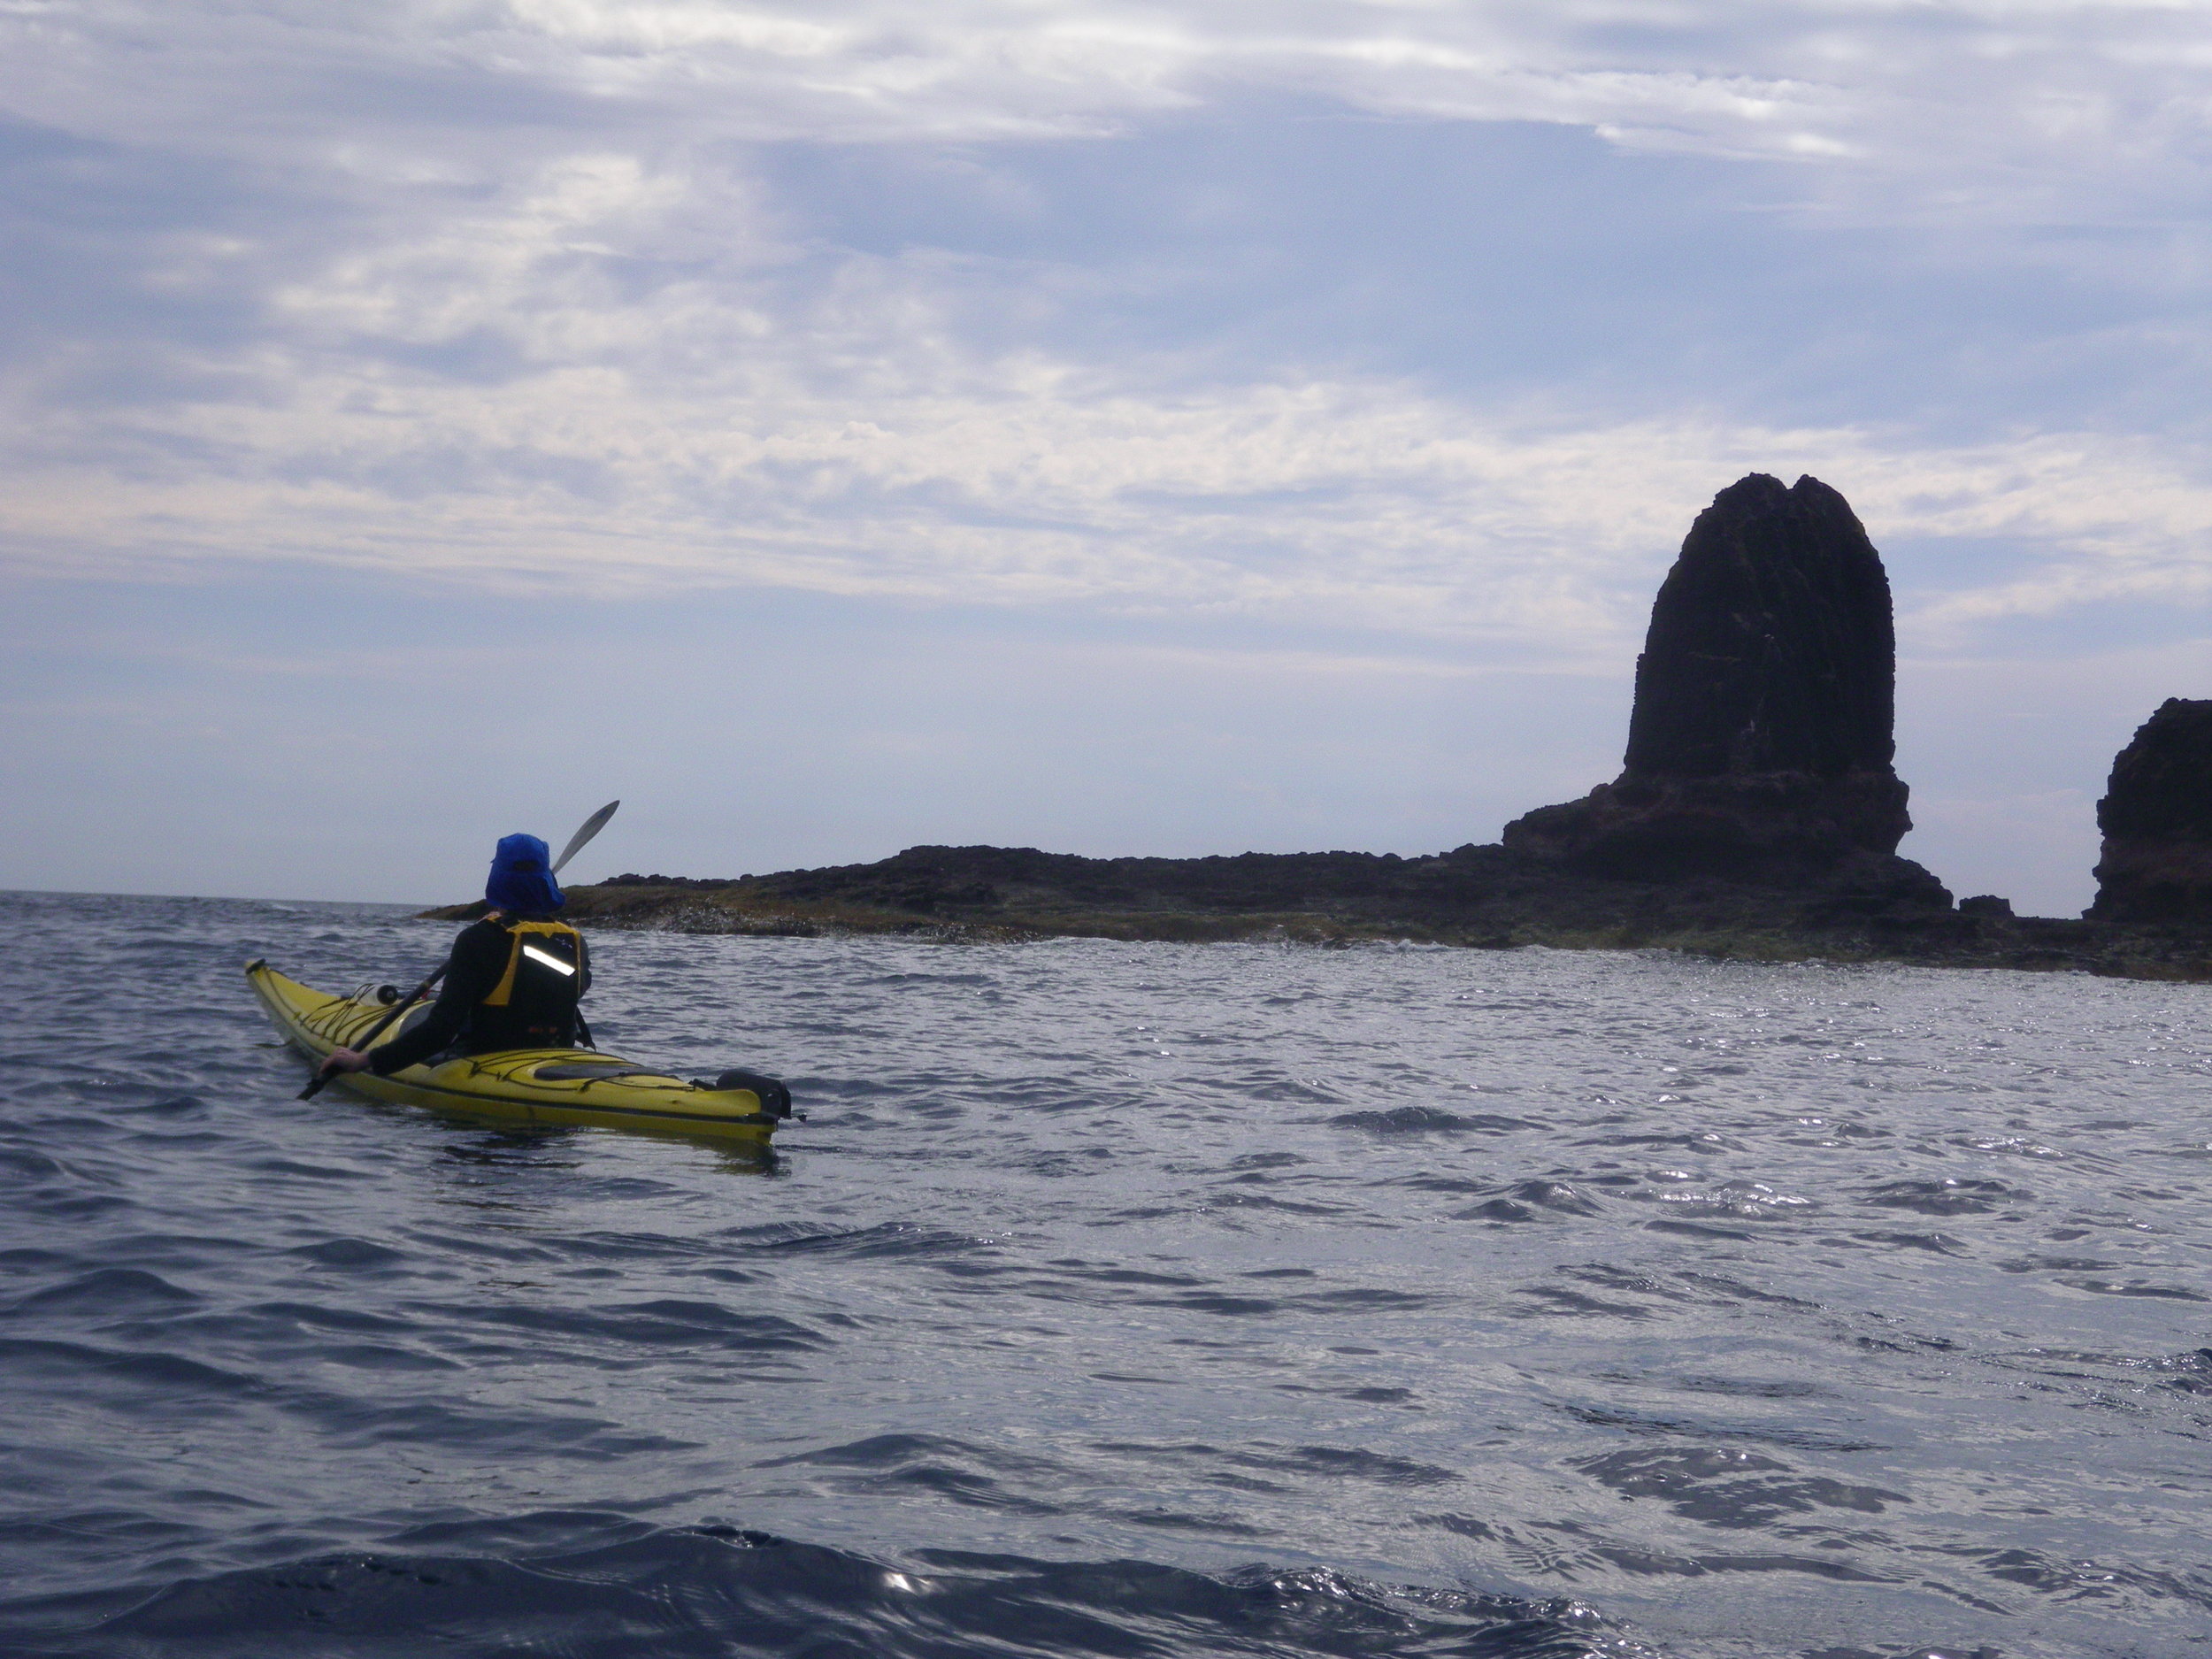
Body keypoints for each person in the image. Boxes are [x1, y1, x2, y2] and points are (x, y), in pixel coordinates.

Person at [318, 833, 592, 1082]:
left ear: (497, 878)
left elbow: (441, 1031)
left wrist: (366, 1060)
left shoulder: (479, 939)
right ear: (546, 882)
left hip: (485, 1059)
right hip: (556, 1056)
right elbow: (548, 992)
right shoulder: (574, 942)